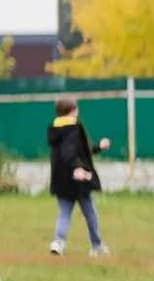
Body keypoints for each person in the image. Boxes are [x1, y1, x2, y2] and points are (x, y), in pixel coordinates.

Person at [47, 96, 110, 257]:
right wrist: (78, 168)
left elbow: (81, 151)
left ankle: (58, 242)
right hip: (78, 180)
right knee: (90, 213)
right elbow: (70, 152)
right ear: (72, 110)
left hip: (61, 180)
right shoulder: (73, 128)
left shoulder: (55, 129)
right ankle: (97, 246)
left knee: (64, 213)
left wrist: (98, 147)